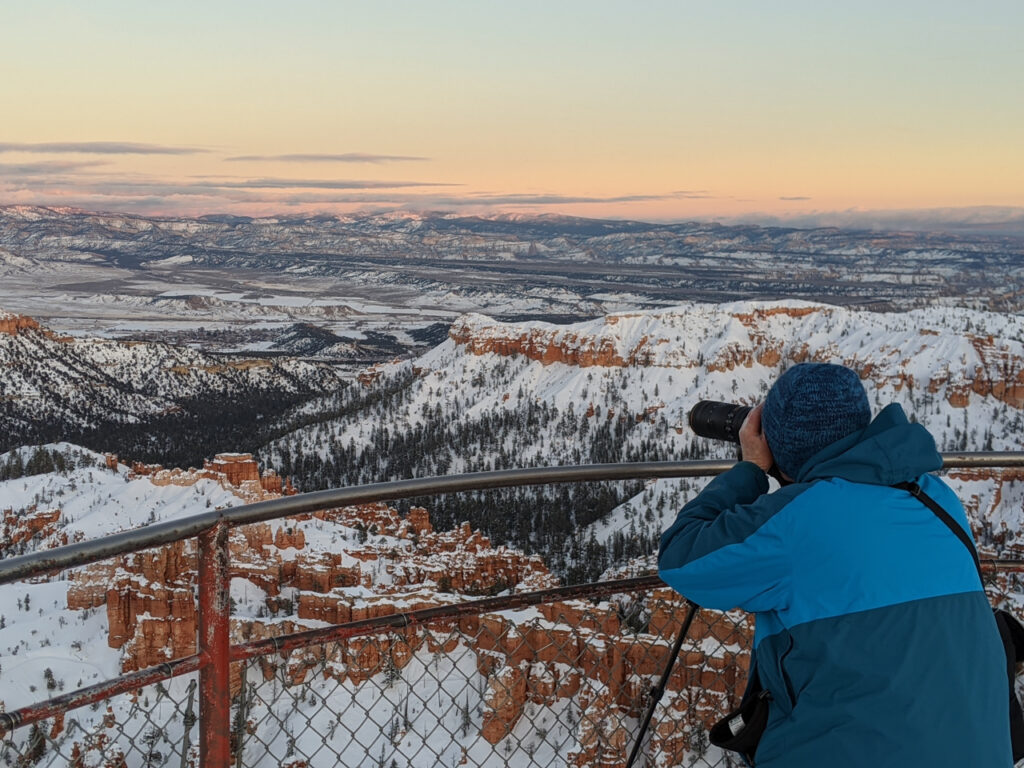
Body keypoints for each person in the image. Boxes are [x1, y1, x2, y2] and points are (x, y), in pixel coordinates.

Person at [658, 362, 1010, 767]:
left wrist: (750, 469)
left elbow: (680, 559)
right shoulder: (935, 495)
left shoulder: (797, 520)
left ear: (781, 453)